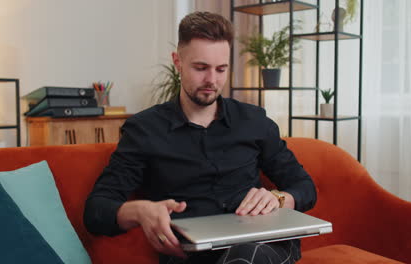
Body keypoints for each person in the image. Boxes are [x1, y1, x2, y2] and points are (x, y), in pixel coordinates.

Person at [84, 11, 317, 264]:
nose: (212, 80)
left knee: (249, 254)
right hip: (194, 256)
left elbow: (304, 187)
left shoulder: (254, 121)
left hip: (263, 245)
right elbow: (96, 210)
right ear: (178, 62)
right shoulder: (144, 130)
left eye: (221, 69)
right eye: (201, 68)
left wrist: (278, 197)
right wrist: (138, 210)